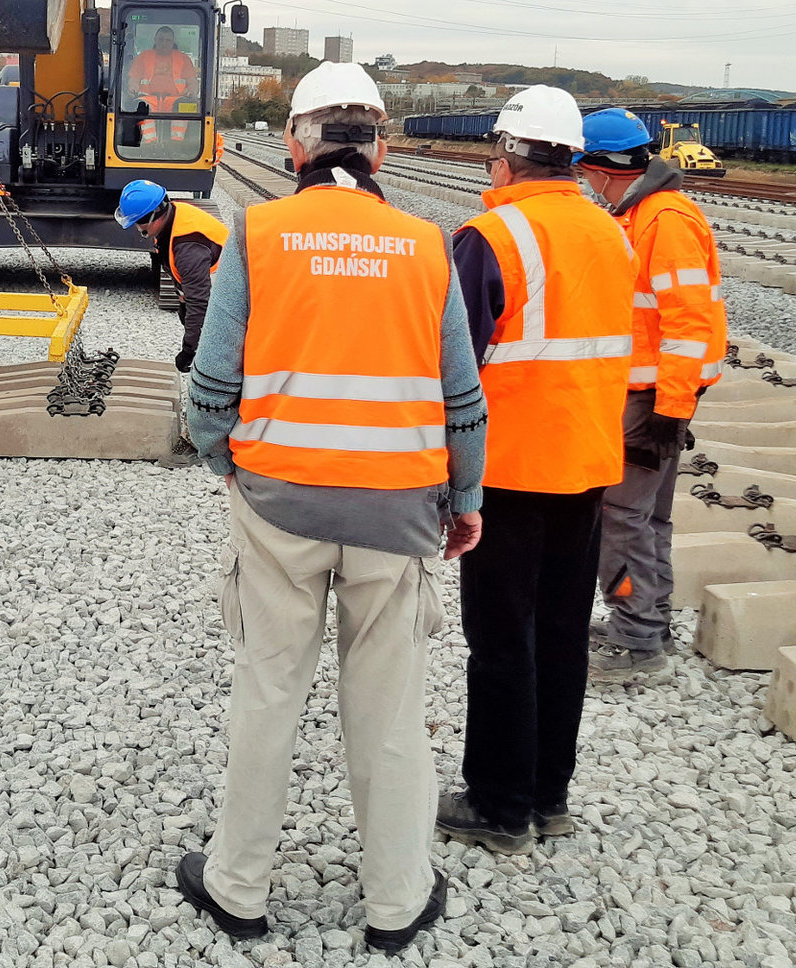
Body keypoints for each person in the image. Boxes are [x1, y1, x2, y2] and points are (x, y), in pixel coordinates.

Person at [179, 62, 488, 955]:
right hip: (396, 516)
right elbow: (461, 397)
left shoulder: (260, 231)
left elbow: (212, 383)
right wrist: (463, 500)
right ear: (381, 146)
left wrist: (221, 461)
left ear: (295, 143)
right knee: (388, 708)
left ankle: (238, 887)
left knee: (268, 690)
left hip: (278, 506)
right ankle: (398, 899)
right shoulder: (427, 243)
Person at [439, 85, 635, 854]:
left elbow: (456, 367)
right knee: (561, 636)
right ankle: (550, 795)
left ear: (512, 154)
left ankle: (498, 803)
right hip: (587, 466)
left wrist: (447, 477)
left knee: (499, 642)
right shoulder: (611, 232)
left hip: (511, 471)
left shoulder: (490, 235)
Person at [576, 108, 729, 681]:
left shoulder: (662, 221)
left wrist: (669, 410)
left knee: (620, 519)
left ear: (600, 166)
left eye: (584, 172)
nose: (584, 184)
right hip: (657, 393)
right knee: (648, 518)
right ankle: (647, 620)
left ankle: (637, 644)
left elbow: (688, 322)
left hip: (652, 396)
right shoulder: (643, 213)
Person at [114, 179, 230, 373]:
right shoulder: (174, 215)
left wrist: (190, 349)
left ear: (153, 217)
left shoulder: (188, 246)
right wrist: (183, 303)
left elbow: (200, 302)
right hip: (211, 287)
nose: (137, 228)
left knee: (222, 348)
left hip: (230, 293)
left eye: (138, 223)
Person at [126, 25, 197, 148]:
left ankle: (176, 144)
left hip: (176, 98)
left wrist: (192, 92)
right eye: (161, 40)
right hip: (148, 98)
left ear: (173, 42)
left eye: (167, 40)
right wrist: (132, 89)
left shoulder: (183, 59)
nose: (164, 43)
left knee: (182, 106)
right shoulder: (143, 57)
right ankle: (149, 144)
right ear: (155, 40)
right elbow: (134, 79)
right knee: (142, 106)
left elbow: (192, 81)